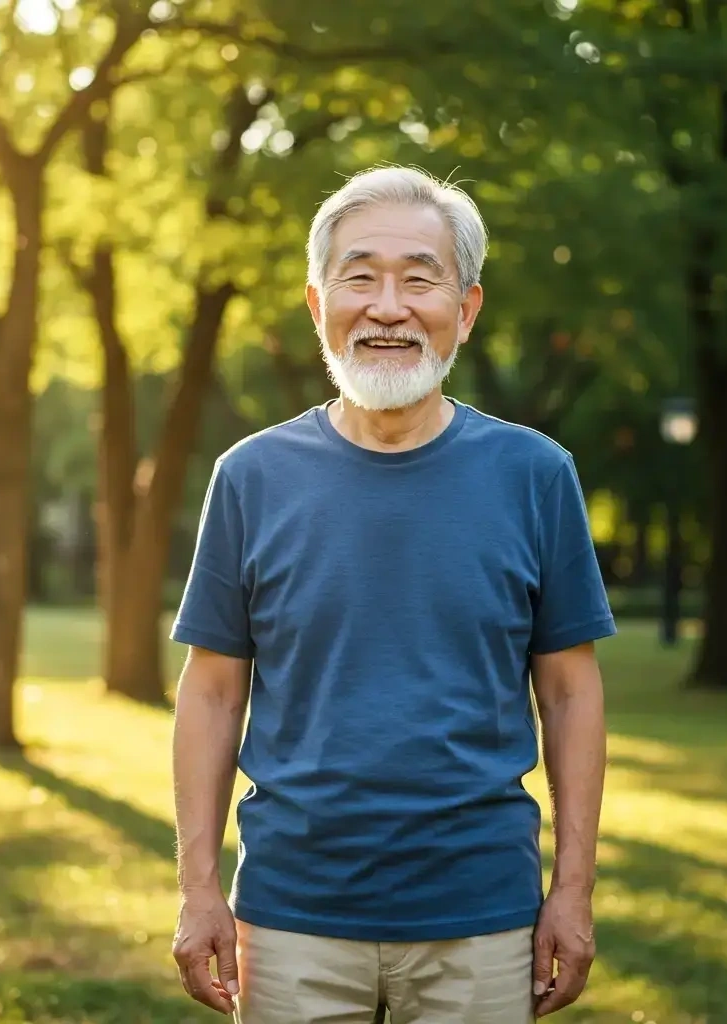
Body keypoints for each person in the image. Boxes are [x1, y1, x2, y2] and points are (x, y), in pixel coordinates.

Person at [170, 165, 615, 1024]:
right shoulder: (250, 477)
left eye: (420, 278)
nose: (387, 306)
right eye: (360, 277)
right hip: (291, 915)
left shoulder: (536, 476)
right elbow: (213, 691)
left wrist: (573, 891)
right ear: (316, 304)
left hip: (485, 919)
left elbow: (569, 691)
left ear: (467, 309)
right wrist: (198, 890)